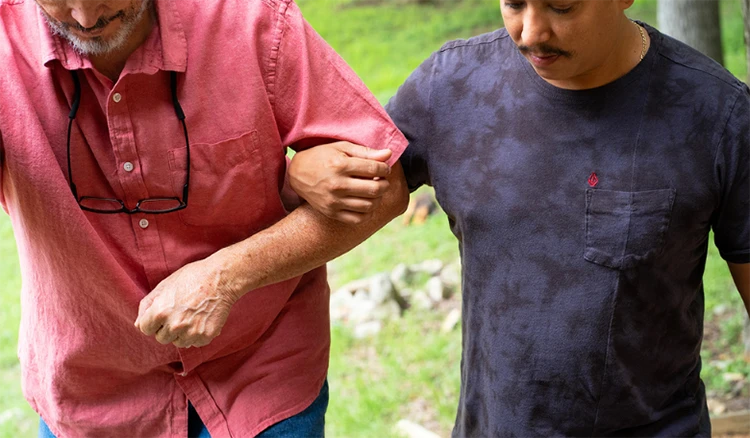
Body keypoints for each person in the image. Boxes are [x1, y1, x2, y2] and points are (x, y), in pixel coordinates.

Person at [288, 0, 750, 435]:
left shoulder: (718, 115)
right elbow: (353, 190)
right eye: (513, 3)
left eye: (561, 6)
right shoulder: (451, 85)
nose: (530, 33)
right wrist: (298, 171)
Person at [0, 0, 410, 436]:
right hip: (94, 397)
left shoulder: (255, 21)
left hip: (260, 372)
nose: (84, 20)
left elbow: (386, 190)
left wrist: (226, 277)